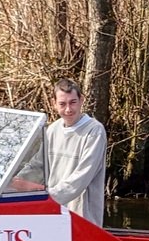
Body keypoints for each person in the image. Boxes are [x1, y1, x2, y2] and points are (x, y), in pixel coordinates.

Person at [45, 78, 107, 227]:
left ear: (81, 100)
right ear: (54, 104)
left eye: (73, 102)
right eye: (62, 104)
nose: (68, 109)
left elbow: (82, 176)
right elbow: (37, 166)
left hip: (83, 218)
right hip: (54, 215)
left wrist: (48, 198)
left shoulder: (95, 131)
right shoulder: (52, 130)